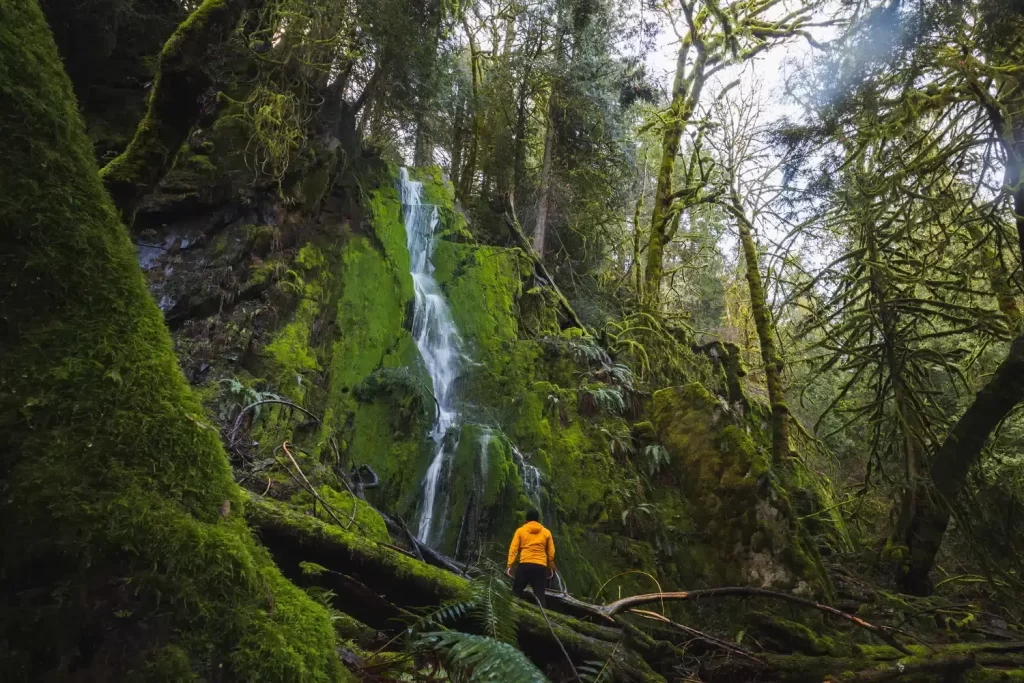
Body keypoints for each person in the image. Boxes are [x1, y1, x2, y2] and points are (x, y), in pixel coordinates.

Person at [506, 509, 555, 607]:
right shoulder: (546, 533)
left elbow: (513, 549)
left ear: (526, 520)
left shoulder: (520, 531)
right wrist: (550, 567)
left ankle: (513, 615)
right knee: (540, 596)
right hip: (540, 567)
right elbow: (551, 553)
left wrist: (510, 565)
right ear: (538, 520)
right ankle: (542, 619)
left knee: (516, 592)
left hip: (525, 565)